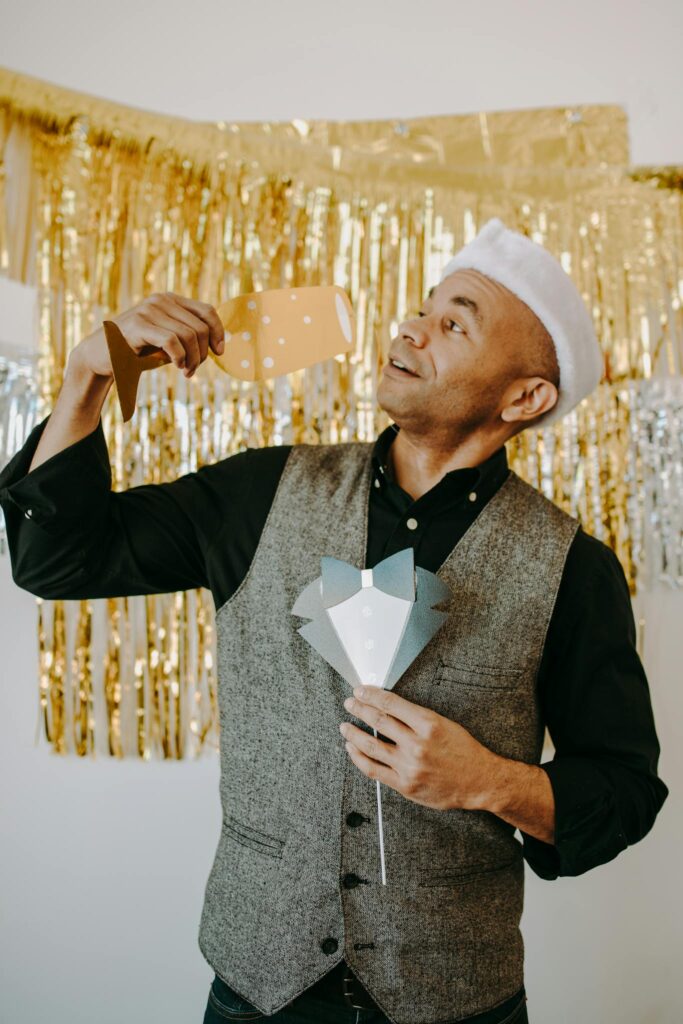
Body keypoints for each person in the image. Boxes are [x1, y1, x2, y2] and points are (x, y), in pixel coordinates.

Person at [0, 219, 669, 1024]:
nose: (410, 328)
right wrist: (88, 378)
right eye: (422, 307)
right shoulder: (259, 493)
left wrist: (486, 781)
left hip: (457, 1003)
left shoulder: (572, 566)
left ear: (523, 398)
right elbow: (57, 560)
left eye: (454, 322)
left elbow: (623, 792)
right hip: (256, 993)